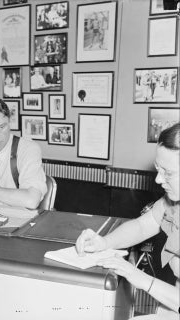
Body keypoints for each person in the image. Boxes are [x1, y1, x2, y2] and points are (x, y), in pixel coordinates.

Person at [76, 122, 180, 320]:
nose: (158, 179)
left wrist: (142, 279)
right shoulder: (173, 202)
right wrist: (104, 242)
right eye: (158, 169)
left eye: (168, 173)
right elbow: (143, 225)